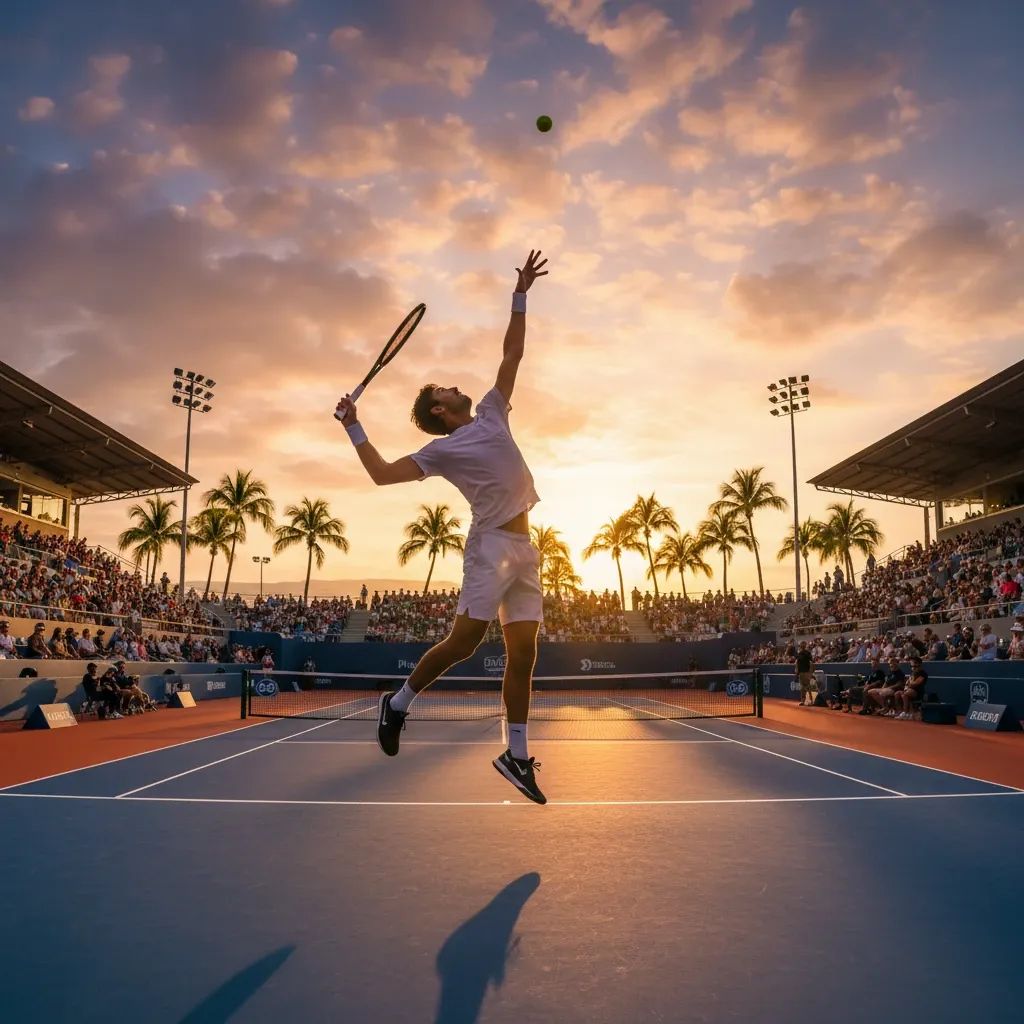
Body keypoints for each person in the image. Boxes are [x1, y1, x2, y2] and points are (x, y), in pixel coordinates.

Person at [335, 249, 549, 804]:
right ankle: (398, 704)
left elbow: (513, 352)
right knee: (464, 643)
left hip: (527, 546)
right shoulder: (443, 449)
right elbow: (382, 475)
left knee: (525, 654)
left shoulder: (493, 412)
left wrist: (520, 295)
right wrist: (354, 428)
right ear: (438, 412)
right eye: (443, 391)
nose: (454, 387)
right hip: (491, 545)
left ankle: (517, 755)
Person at [795, 641, 815, 706]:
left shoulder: (807, 653)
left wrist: (811, 672)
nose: (802, 646)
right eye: (801, 645)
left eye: (803, 645)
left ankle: (811, 700)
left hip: (807, 672)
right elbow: (797, 664)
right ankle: (803, 701)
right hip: (801, 673)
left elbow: (811, 662)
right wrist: (797, 672)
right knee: (802, 688)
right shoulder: (799, 653)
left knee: (808, 687)